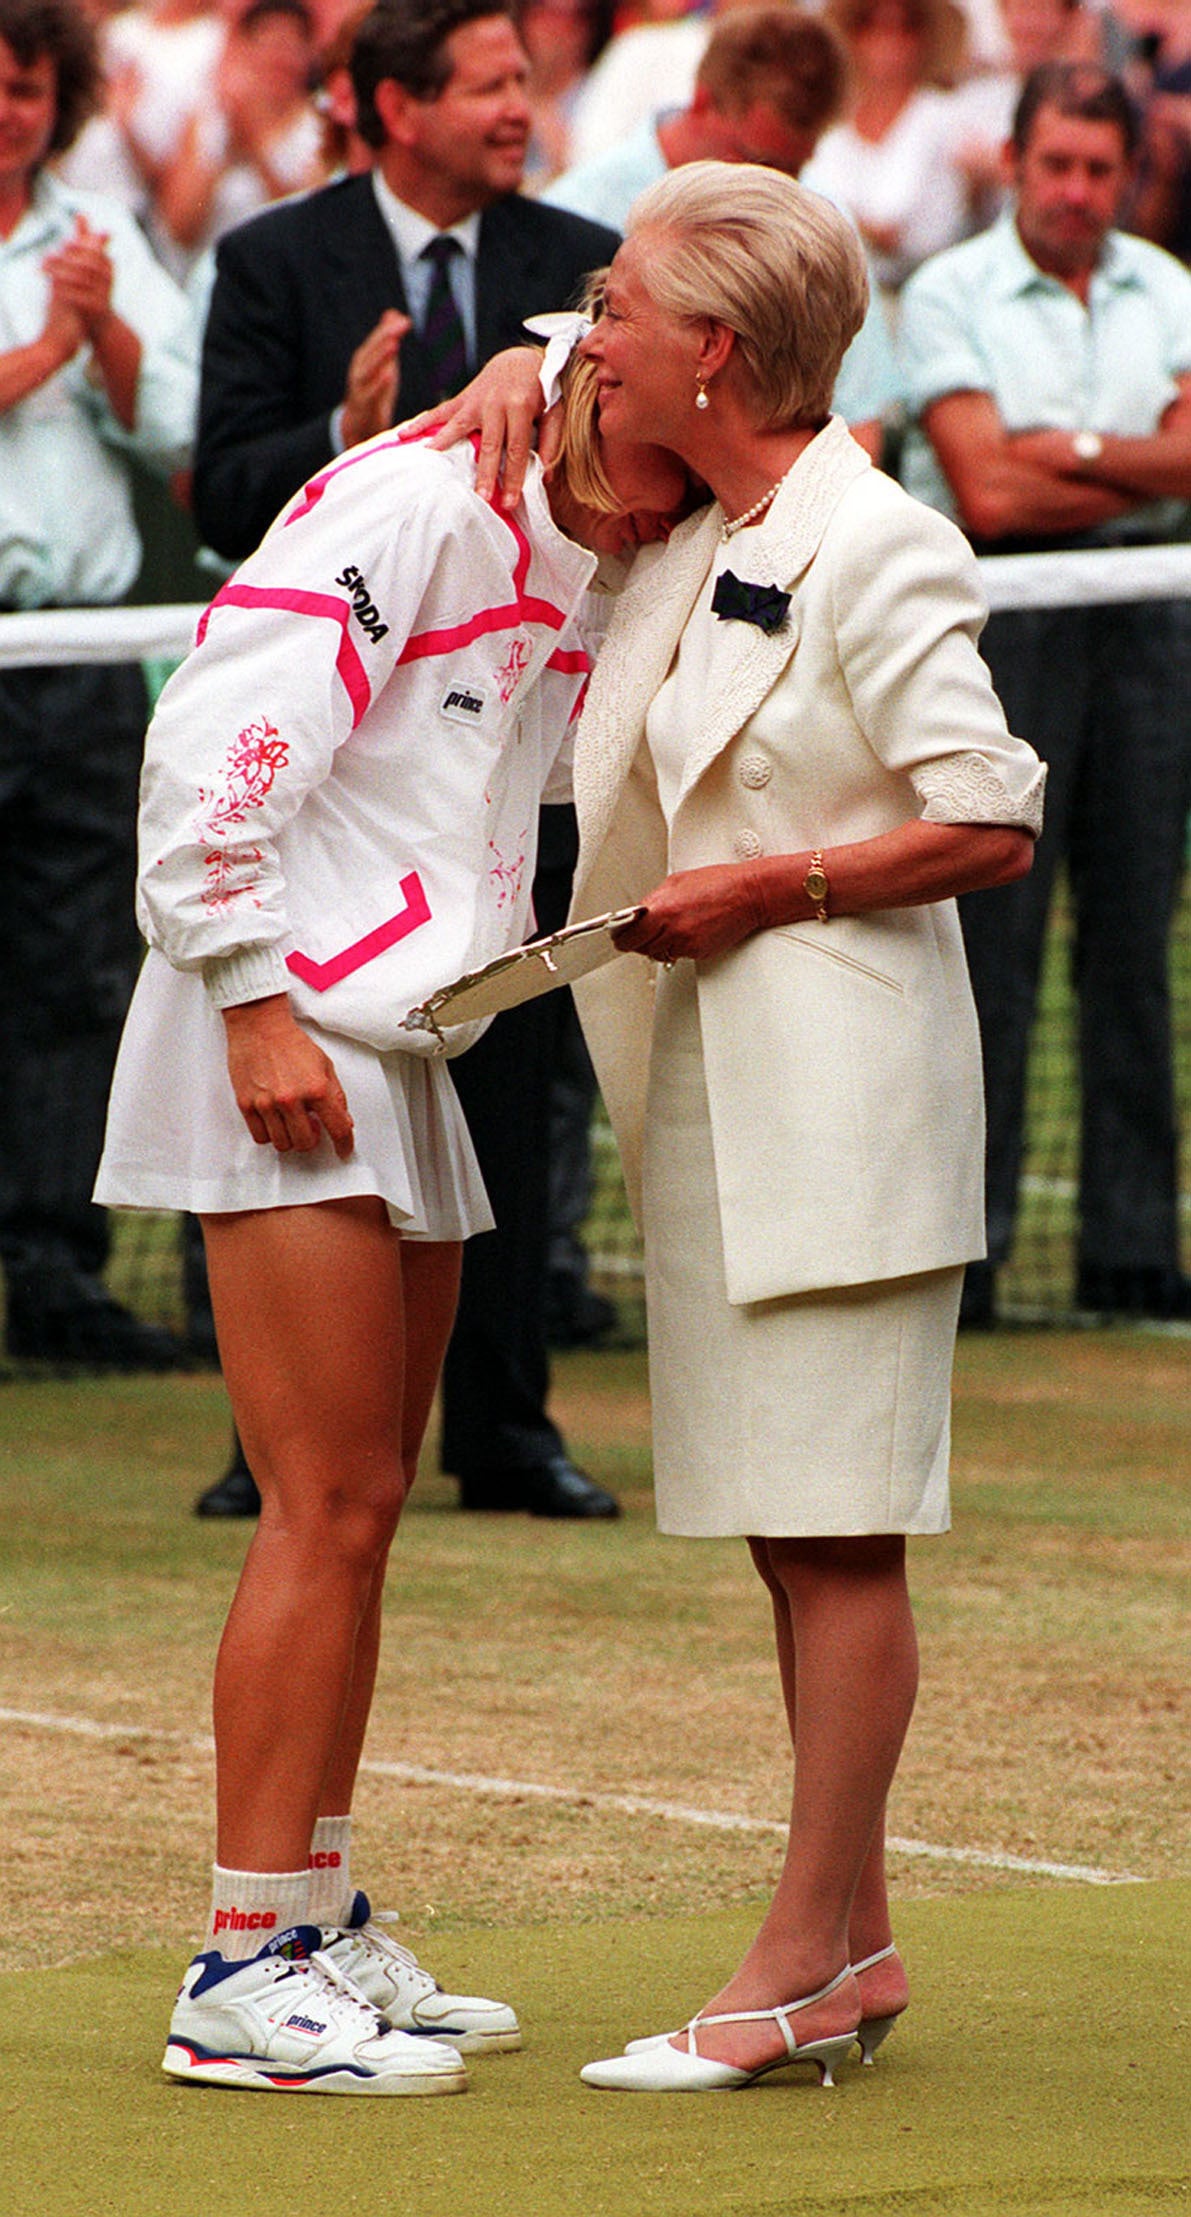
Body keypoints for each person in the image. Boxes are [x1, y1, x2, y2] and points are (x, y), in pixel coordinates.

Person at [94, 347, 688, 2093]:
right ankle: (240, 1958)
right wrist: (254, 999)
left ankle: (318, 1910)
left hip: (405, 1034)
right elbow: (213, 739)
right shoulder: (419, 499)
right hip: (282, 1029)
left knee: (365, 1511)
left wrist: (544, 358)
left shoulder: (591, 533)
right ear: (631, 399)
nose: (688, 495)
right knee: (323, 1504)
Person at [531, 159, 1043, 2090]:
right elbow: (557, 462)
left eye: (621, 312)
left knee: (838, 1542)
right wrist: (520, 401)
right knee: (790, 1537)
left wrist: (767, 891)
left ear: (715, 347)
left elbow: (988, 816)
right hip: (715, 1109)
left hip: (841, 1111)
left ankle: (796, 1955)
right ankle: (861, 1936)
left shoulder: (879, 540)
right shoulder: (685, 528)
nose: (595, 339)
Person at [193, 0, 625, 1520]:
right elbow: (223, 487)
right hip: (332, 791)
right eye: (487, 85)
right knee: (326, 1479)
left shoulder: (584, 262)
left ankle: (505, 1427)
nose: (518, 107)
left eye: (524, 80)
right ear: (388, 105)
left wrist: (534, 355)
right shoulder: (271, 258)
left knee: (509, 1115)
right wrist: (353, 433)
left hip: (502, 785)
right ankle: (280, 1448)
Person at [898, 62, 1191, 1322]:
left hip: (1152, 616)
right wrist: (1136, 465)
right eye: (1056, 164)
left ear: (1130, 176)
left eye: (1099, 168)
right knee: (990, 944)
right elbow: (986, 494)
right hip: (1002, 618)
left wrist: (1053, 450)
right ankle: (968, 1249)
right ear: (1015, 162)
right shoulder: (947, 290)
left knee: (1136, 939)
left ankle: (1133, 1255)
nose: (1076, 191)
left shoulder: (1169, 286)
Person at [0, 0, 198, 1369]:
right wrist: (50, 351)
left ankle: (57, 1276)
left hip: (76, 654)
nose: (8, 108)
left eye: (24, 88)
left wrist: (102, 329)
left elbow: (182, 424)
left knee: (76, 970)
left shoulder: (103, 235)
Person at [542, 5, 903, 460]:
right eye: (757, 160)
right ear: (702, 102)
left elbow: (859, 423)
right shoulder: (577, 212)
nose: (770, 188)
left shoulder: (820, 222)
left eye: (794, 170)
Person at [800, 0, 971, 295]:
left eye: (906, 26)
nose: (889, 39)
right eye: (871, 25)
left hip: (920, 294)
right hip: (831, 298)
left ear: (924, 38)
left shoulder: (945, 118)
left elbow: (930, 233)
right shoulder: (831, 124)